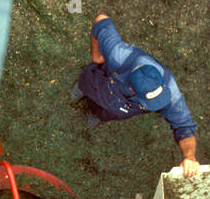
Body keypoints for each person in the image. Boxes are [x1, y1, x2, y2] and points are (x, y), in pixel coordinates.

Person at [73, 13, 200, 177]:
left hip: (120, 108)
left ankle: (97, 114)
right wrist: (96, 57)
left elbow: (184, 127)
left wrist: (189, 157)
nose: (160, 106)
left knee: (108, 113)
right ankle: (81, 89)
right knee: (85, 84)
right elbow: (101, 20)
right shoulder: (120, 56)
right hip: (98, 82)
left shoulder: (170, 93)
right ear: (131, 89)